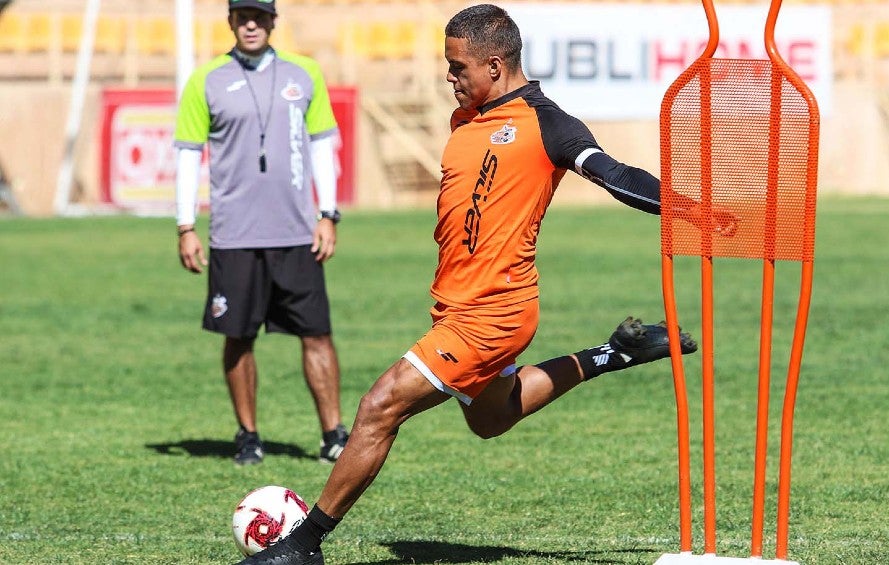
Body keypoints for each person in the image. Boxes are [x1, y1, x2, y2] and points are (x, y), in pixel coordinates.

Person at [237, 4, 736, 563]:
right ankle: (612, 355)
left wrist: (696, 212)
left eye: (457, 68)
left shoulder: (550, 125)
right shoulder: (467, 117)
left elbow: (617, 175)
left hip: (494, 313)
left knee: (380, 406)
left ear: (495, 65)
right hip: (455, 308)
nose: (448, 79)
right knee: (490, 417)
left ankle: (302, 546)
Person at [174, 0, 349, 466]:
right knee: (238, 336)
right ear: (230, 21)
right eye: (241, 16)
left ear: (273, 20)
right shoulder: (205, 79)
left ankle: (333, 433)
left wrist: (328, 214)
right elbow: (188, 155)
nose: (250, 24)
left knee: (317, 334)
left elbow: (320, 145)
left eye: (259, 16)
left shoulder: (305, 73)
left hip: (296, 233)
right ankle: (248, 435)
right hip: (234, 237)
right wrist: (185, 225)